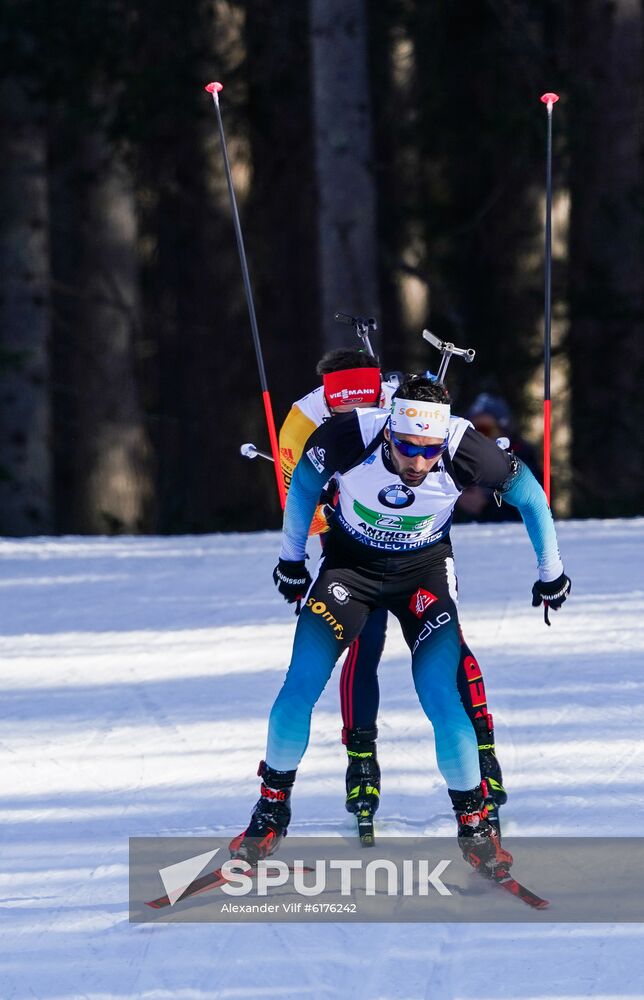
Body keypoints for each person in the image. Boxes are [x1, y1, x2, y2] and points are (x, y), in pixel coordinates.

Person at [231, 375, 571, 878]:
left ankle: (474, 825)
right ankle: (270, 811)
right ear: (389, 429)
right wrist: (292, 558)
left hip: (424, 575)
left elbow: (532, 498)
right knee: (298, 687)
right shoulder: (350, 435)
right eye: (407, 447)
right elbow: (302, 483)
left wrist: (552, 573)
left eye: (428, 451)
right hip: (350, 571)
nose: (417, 462)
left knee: (439, 693)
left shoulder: (465, 448)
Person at [278, 352, 507, 836]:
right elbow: (295, 485)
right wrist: (300, 553)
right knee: (361, 644)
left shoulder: (391, 405)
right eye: (336, 406)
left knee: (444, 649)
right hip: (351, 547)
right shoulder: (306, 420)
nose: (347, 410)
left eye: (358, 400)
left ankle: (481, 747)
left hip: (417, 554)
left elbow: (430, 443)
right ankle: (361, 757)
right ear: (325, 398)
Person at [457, 393, 541, 523]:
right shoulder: (460, 457)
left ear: (502, 431)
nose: (478, 437)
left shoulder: (522, 461)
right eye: (472, 431)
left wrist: (485, 507)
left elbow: (531, 510)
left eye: (484, 430)